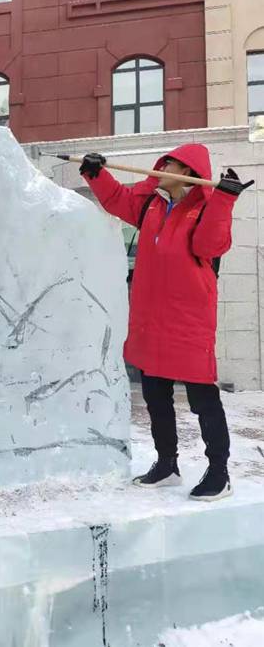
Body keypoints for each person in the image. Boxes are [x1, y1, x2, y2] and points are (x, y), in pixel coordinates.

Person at [80, 144, 254, 501]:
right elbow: (117, 199)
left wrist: (224, 201)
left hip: (188, 321)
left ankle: (219, 473)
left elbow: (210, 247)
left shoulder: (205, 208)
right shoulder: (151, 204)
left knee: (203, 398)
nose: (161, 168)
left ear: (187, 172)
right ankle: (166, 464)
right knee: (155, 395)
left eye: (169, 163)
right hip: (149, 318)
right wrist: (96, 173)